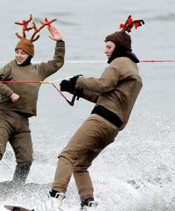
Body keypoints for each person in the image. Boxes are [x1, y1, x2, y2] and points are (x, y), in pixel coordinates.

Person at [40, 15, 144, 211]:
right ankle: (88, 204)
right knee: (80, 165)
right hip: (111, 129)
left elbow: (103, 85)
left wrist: (77, 80)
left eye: (108, 47)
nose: (105, 51)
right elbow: (104, 97)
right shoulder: (133, 71)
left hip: (100, 121)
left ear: (119, 48)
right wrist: (76, 90)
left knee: (67, 156)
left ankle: (54, 199)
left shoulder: (118, 63)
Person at [0, 15, 65, 186]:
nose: (19, 55)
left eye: (23, 53)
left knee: (26, 160)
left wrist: (59, 42)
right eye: (17, 52)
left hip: (22, 122)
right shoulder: (10, 66)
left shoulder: (39, 70)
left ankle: (17, 187)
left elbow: (57, 63)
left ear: (30, 55)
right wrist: (10, 92)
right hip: (3, 116)